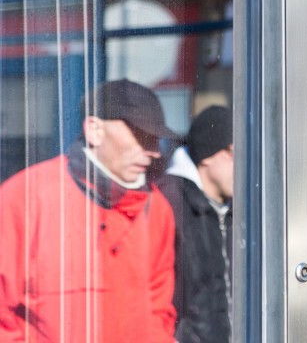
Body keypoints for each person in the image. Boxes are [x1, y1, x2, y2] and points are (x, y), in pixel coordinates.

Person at [0, 79, 179, 342]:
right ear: (94, 130)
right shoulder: (26, 196)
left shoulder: (157, 208)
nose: (152, 151)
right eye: (141, 135)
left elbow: (159, 312)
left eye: (155, 139)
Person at [157, 106, 233, 343]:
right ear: (208, 156)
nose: (247, 163)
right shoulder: (169, 204)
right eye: (235, 153)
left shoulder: (242, 209)